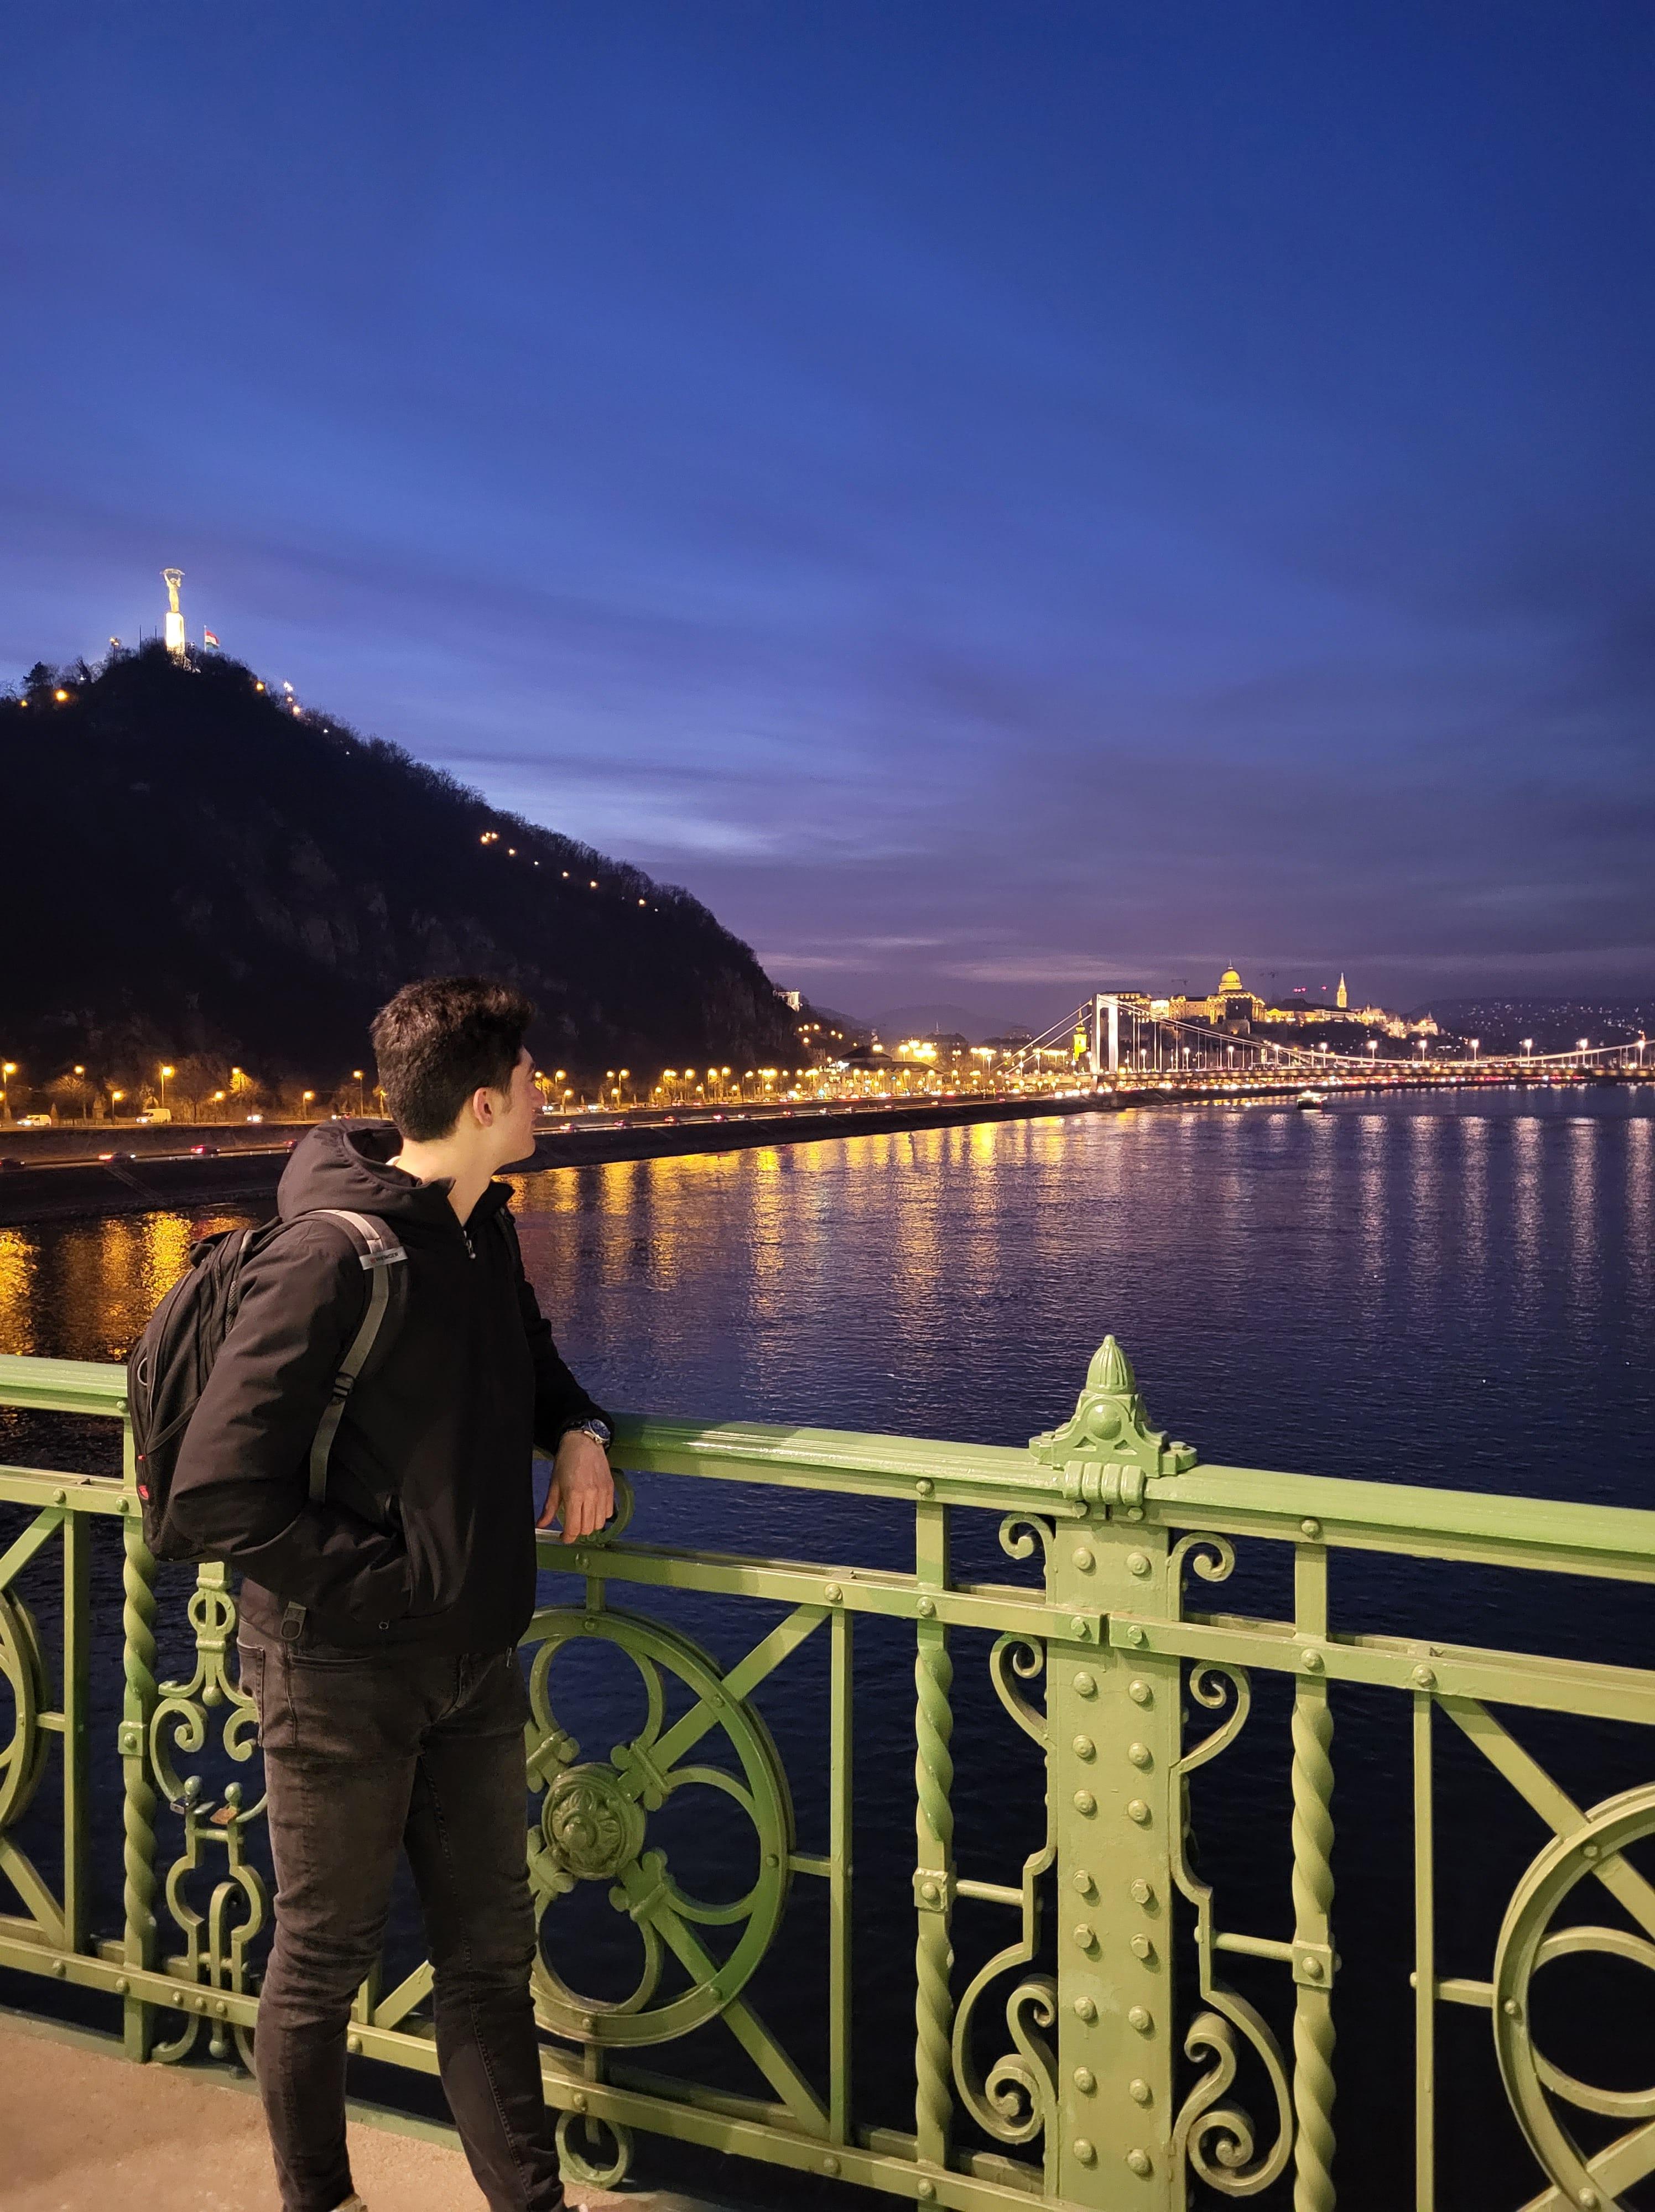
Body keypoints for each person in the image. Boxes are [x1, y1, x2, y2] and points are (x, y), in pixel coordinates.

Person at [168, 976, 614, 2212]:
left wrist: (578, 1427)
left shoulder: (481, 1226)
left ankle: (531, 2203)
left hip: (467, 1657)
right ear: (482, 1101)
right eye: (530, 1078)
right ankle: (323, 2199)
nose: (544, 1091)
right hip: (338, 1665)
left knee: (486, 1959)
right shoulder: (331, 1254)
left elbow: (527, 1361)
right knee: (323, 1961)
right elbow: (214, 1490)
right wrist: (394, 1585)